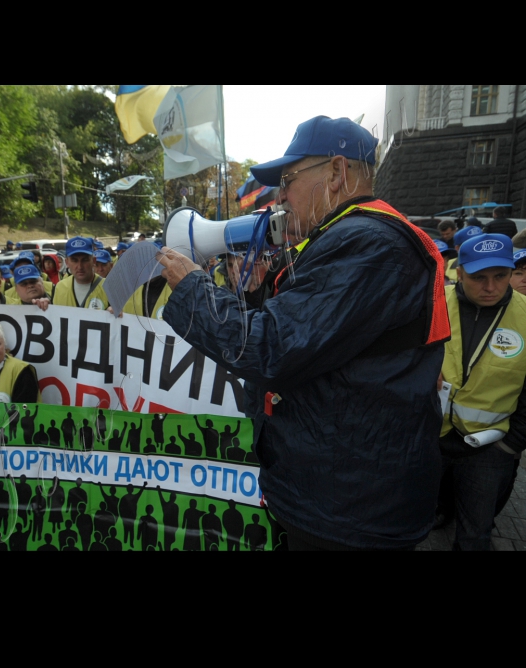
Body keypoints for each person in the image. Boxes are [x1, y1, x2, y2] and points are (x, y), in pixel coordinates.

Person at [158, 116, 451, 552]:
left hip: (348, 509)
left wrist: (192, 289)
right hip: (339, 494)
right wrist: (257, 295)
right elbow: (316, 345)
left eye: (288, 180)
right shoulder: (350, 240)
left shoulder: (368, 245)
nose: (279, 197)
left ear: (336, 173)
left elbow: (273, 350)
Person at [438, 234, 526, 551]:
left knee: (475, 536)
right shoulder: (433, 303)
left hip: (488, 449)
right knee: (410, 520)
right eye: (478, 277)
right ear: (459, 273)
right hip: (429, 438)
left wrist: (511, 444)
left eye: (500, 276)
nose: (490, 287)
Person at [53, 237, 109, 310]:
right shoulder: (60, 288)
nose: (80, 266)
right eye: (74, 260)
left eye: (85, 260)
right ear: (67, 263)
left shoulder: (108, 287)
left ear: (94, 261)